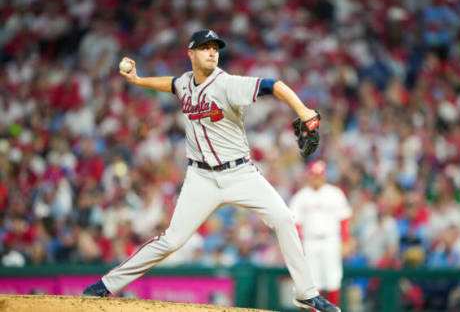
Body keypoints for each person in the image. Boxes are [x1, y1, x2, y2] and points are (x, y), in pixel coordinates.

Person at [82, 29, 340, 312]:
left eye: (215, 47)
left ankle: (306, 293)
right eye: (205, 47)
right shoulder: (184, 83)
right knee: (171, 240)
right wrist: (138, 80)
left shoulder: (227, 84)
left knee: (283, 218)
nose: (212, 51)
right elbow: (171, 84)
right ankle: (106, 285)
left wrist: (303, 110)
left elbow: (273, 84)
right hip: (200, 178)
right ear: (190, 53)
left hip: (240, 174)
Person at [290, 160, 352, 306]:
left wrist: (345, 241)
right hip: (309, 241)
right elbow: (296, 224)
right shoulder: (301, 196)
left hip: (331, 240)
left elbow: (344, 219)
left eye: (319, 175)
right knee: (312, 281)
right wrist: (298, 246)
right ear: (309, 176)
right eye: (313, 175)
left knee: (333, 279)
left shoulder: (335, 193)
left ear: (324, 176)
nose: (316, 178)